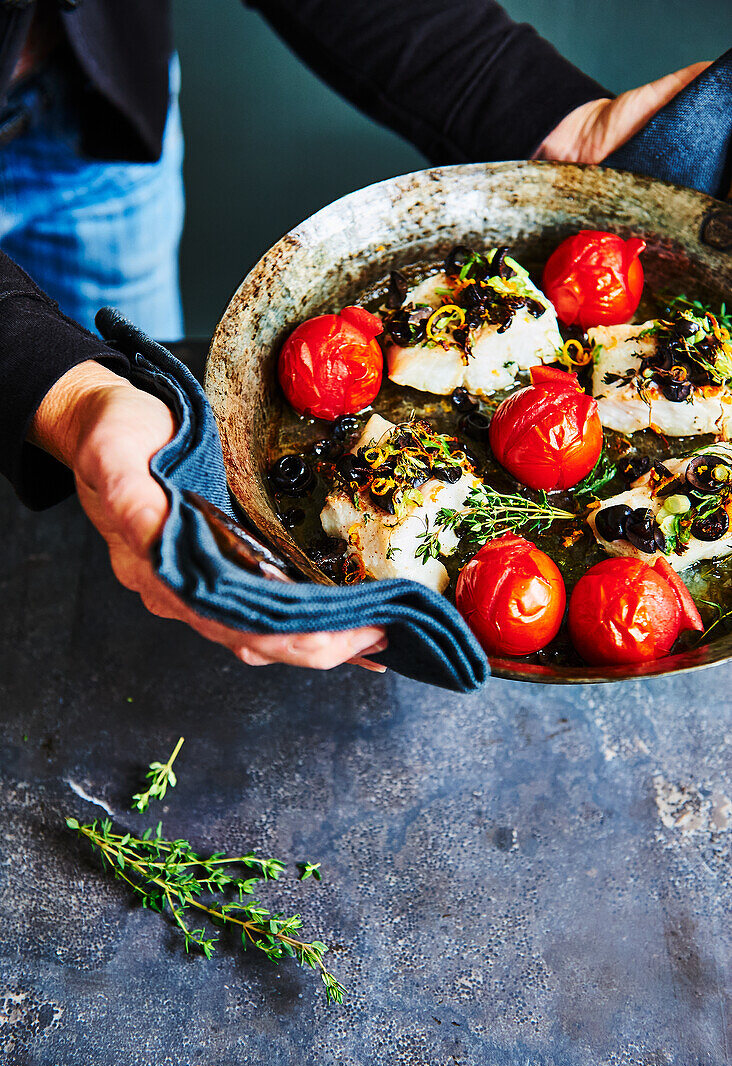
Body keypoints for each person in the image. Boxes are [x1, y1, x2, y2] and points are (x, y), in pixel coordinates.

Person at [0, 0, 709, 672]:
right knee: (92, 469)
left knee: (128, 402)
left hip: (96, 107)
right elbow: (67, 385)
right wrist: (59, 385)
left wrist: (555, 116)